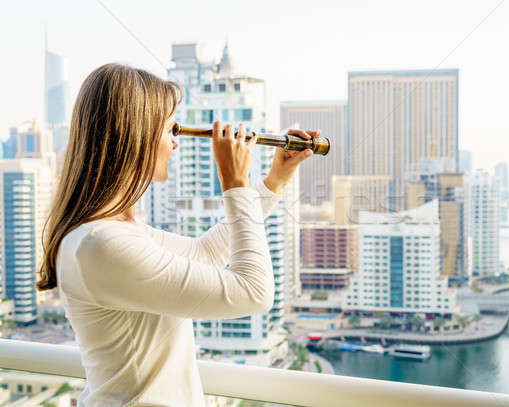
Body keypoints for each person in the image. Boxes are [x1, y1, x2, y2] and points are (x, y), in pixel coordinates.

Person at [36, 63, 319, 406]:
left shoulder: (113, 233)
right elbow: (253, 293)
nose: (175, 144)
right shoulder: (100, 245)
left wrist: (275, 179)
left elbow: (204, 255)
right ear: (135, 135)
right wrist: (234, 183)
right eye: (170, 130)